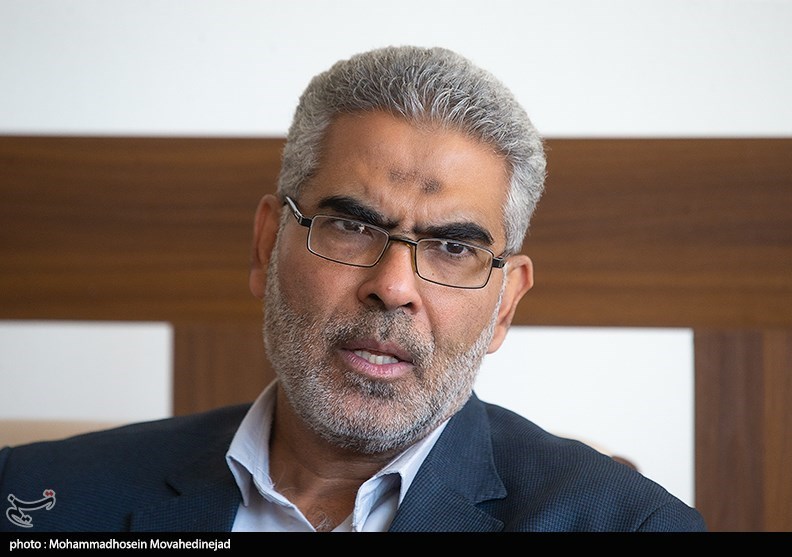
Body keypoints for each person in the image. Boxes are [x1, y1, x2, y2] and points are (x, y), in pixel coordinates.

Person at [0, 45, 706, 533]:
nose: (393, 287)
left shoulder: (630, 524)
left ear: (505, 304)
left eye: (453, 247)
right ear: (266, 245)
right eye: (351, 227)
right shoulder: (37, 498)